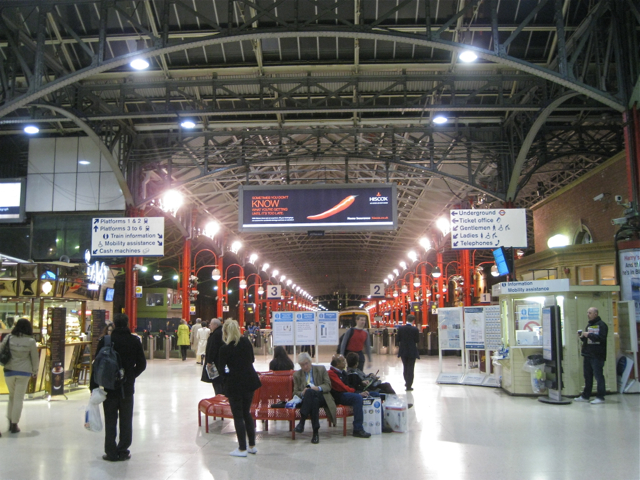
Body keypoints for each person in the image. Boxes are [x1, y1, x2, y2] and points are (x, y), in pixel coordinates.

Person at [90, 313, 146, 462]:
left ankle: (110, 451)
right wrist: (130, 376)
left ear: (114, 324)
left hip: (109, 388)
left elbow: (96, 365)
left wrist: (93, 387)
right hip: (127, 388)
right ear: (127, 323)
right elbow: (142, 364)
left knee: (110, 419)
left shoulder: (106, 340)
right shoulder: (134, 340)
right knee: (126, 420)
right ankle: (123, 450)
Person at [218, 319, 261, 457]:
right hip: (250, 381)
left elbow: (220, 368)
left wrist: (225, 378)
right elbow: (252, 360)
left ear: (225, 332)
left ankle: (242, 448)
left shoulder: (225, 348)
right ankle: (252, 446)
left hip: (235, 384)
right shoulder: (246, 342)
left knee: (238, 416)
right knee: (246, 413)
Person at [0, 318, 39, 436]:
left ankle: (10, 420)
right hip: (24, 372)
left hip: (9, 371)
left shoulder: (8, 338)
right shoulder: (30, 341)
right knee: (18, 398)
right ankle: (14, 424)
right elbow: (34, 358)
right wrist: (35, 371)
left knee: (12, 397)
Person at [292, 352, 336, 444]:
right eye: (302, 365)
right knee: (313, 400)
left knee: (312, 393)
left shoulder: (321, 369)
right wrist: (302, 393)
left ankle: (302, 422)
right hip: (309, 400)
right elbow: (295, 392)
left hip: (322, 396)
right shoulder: (297, 375)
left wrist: (317, 388)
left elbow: (328, 386)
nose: (305, 367)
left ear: (310, 361)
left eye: (306, 363)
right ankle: (315, 433)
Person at [327, 354, 371, 438]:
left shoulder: (342, 372)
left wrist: (360, 386)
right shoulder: (331, 373)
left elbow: (349, 385)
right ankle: (358, 429)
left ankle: (381, 425)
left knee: (373, 394)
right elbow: (342, 387)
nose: (345, 363)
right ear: (337, 364)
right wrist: (356, 393)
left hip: (347, 393)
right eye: (343, 361)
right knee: (357, 398)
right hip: (339, 396)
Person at [575, 307, 609, 405]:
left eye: (590, 313)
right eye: (587, 312)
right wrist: (582, 337)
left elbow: (601, 339)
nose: (588, 314)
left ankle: (600, 396)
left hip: (597, 355)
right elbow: (589, 341)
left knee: (598, 376)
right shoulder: (589, 325)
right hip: (588, 354)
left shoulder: (602, 325)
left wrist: (588, 335)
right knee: (588, 376)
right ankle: (586, 395)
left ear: (595, 314)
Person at [397, 314, 420, 391]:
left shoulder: (401, 328)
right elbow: (417, 340)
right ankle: (409, 385)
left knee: (405, 367)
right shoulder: (415, 329)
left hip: (403, 351)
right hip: (412, 351)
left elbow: (398, 339)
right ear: (413, 321)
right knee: (411, 368)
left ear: (406, 319)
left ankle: (407, 382)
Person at [202, 318, 224, 395]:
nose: (210, 325)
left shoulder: (216, 334)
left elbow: (212, 348)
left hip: (215, 362)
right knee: (220, 381)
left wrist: (209, 361)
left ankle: (219, 396)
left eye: (211, 324)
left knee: (216, 381)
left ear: (216, 325)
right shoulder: (221, 332)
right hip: (221, 361)